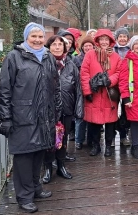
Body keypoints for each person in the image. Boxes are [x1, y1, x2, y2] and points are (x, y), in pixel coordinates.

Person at [0, 22, 61, 213]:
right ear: (26, 38)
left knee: (39, 152)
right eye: (34, 36)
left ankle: (36, 188)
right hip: (22, 115)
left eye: (41, 36)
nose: (38, 40)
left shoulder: (48, 57)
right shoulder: (14, 57)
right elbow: (5, 89)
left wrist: (56, 109)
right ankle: (24, 197)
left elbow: (55, 85)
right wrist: (5, 117)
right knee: (24, 157)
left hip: (45, 115)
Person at [42, 35, 83, 183]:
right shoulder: (43, 63)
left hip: (66, 107)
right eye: (54, 44)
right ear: (49, 47)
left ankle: (61, 165)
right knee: (49, 137)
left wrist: (79, 109)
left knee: (63, 138)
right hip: (48, 109)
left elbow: (78, 88)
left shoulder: (71, 65)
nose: (57, 47)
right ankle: (47, 167)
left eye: (60, 44)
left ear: (65, 47)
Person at [80, 29, 121, 157]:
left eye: (106, 39)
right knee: (94, 123)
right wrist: (88, 91)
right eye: (101, 39)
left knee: (110, 123)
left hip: (109, 95)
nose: (104, 42)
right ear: (97, 41)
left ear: (110, 41)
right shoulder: (90, 55)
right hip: (95, 94)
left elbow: (119, 73)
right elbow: (84, 73)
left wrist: (109, 81)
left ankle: (108, 146)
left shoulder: (116, 56)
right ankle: (95, 145)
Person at [73, 35, 94, 150]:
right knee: (80, 117)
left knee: (91, 117)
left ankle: (90, 140)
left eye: (90, 45)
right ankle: (79, 140)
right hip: (80, 90)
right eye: (86, 46)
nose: (88, 48)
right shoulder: (77, 59)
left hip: (93, 90)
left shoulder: (96, 58)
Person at [113, 27, 132, 146]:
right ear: (117, 38)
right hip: (114, 84)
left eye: (125, 36)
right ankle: (112, 134)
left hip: (128, 84)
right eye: (120, 36)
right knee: (113, 110)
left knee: (126, 111)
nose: (123, 39)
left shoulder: (132, 50)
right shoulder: (112, 50)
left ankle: (124, 135)